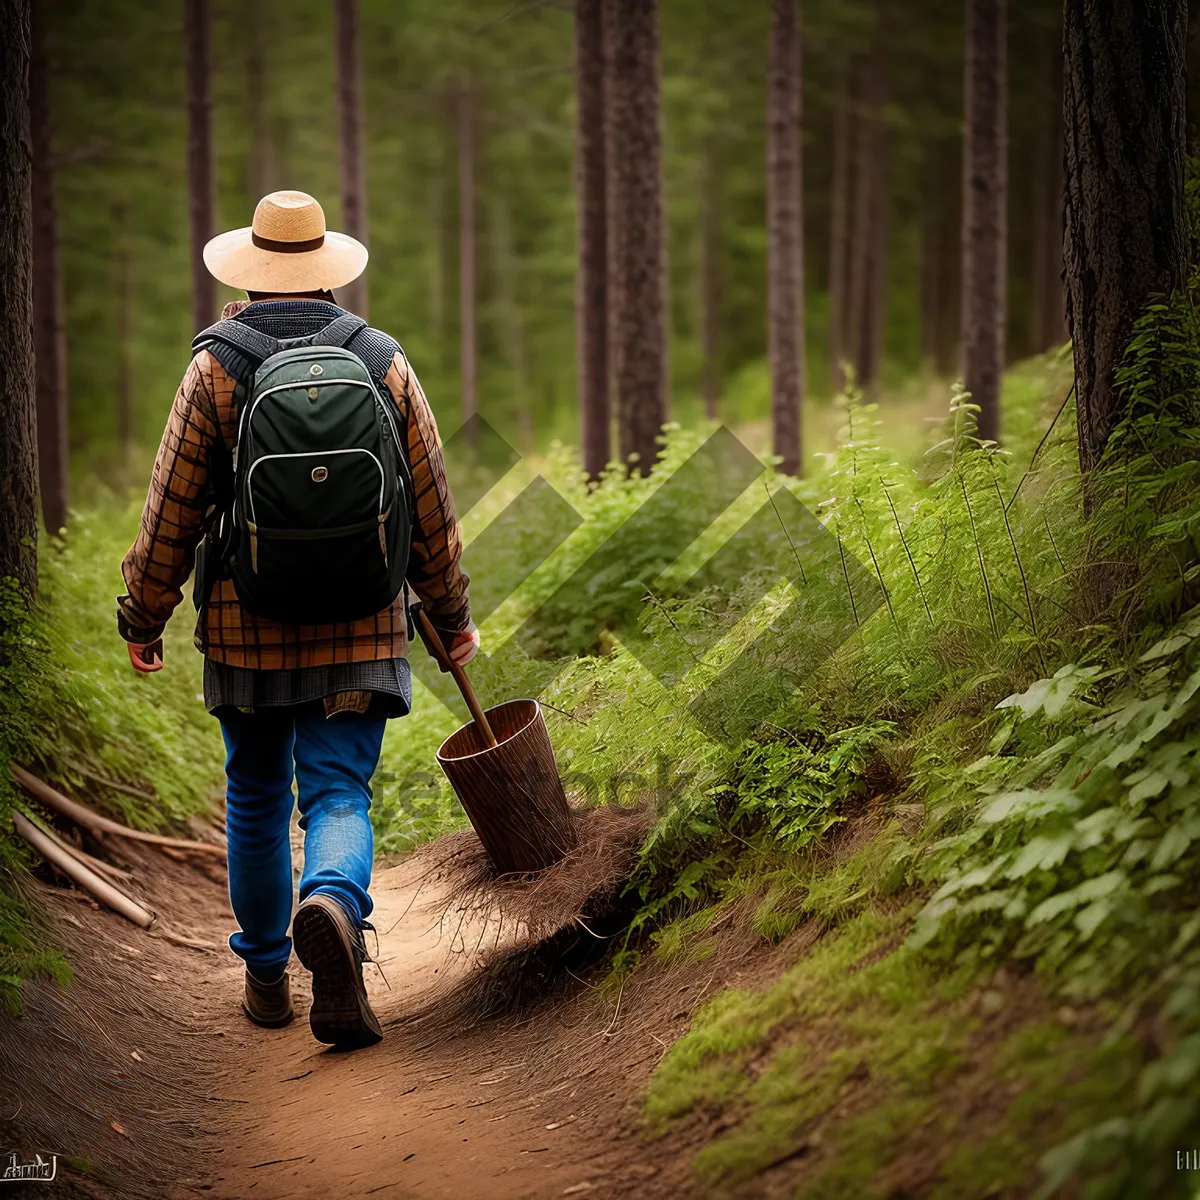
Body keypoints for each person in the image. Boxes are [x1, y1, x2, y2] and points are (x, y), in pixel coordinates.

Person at [117, 190, 478, 1050]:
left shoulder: (216, 367)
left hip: (247, 631)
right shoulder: (382, 360)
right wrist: (451, 612)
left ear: (249, 272)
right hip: (362, 625)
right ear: (326, 271)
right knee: (337, 792)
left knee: (253, 794)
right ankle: (337, 908)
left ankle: (269, 974)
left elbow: (171, 511)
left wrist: (144, 612)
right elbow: (428, 503)